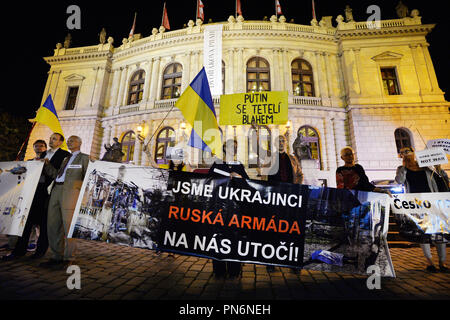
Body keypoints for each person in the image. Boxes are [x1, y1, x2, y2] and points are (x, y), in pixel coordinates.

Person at [2, 135, 71, 261]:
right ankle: (19, 250)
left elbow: (60, 175)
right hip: (34, 192)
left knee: (44, 224)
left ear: (61, 142)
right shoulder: (43, 153)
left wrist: (47, 165)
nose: (51, 140)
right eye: (50, 138)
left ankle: (39, 252)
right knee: (26, 222)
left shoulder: (65, 155)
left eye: (54, 139)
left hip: (49, 194)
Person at [395, 146, 448, 273]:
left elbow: (443, 180)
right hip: (417, 205)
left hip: (432, 203)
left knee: (439, 232)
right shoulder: (402, 169)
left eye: (407, 151)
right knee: (423, 234)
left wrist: (439, 168)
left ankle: (442, 262)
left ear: (414, 152)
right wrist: (403, 168)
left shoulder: (426, 166)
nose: (405, 154)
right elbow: (399, 181)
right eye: (402, 153)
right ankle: (430, 262)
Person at [39, 136, 90, 268]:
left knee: (69, 226)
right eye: (68, 141)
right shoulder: (65, 159)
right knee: (53, 224)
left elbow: (88, 178)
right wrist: (47, 165)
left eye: (72, 140)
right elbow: (57, 175)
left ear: (79, 143)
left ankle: (69, 257)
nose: (69, 142)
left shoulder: (85, 158)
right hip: (56, 190)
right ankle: (56, 256)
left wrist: (82, 196)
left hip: (71, 194)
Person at [208, 139, 249, 278]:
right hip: (219, 209)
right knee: (218, 238)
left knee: (234, 239)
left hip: (235, 210)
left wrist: (240, 178)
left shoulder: (239, 165)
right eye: (232, 147)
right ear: (225, 148)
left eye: (236, 147)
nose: (235, 150)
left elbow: (248, 185)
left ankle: (234, 270)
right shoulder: (217, 164)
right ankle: (219, 270)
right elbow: (209, 182)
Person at [266, 135, 303, 273]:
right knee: (273, 229)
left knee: (291, 229)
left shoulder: (293, 159)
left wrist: (296, 188)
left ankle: (292, 262)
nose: (281, 143)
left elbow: (300, 175)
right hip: (274, 198)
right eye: (278, 141)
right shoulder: (269, 158)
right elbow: (263, 175)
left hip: (290, 198)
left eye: (283, 141)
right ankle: (271, 261)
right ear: (275, 144)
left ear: (286, 143)